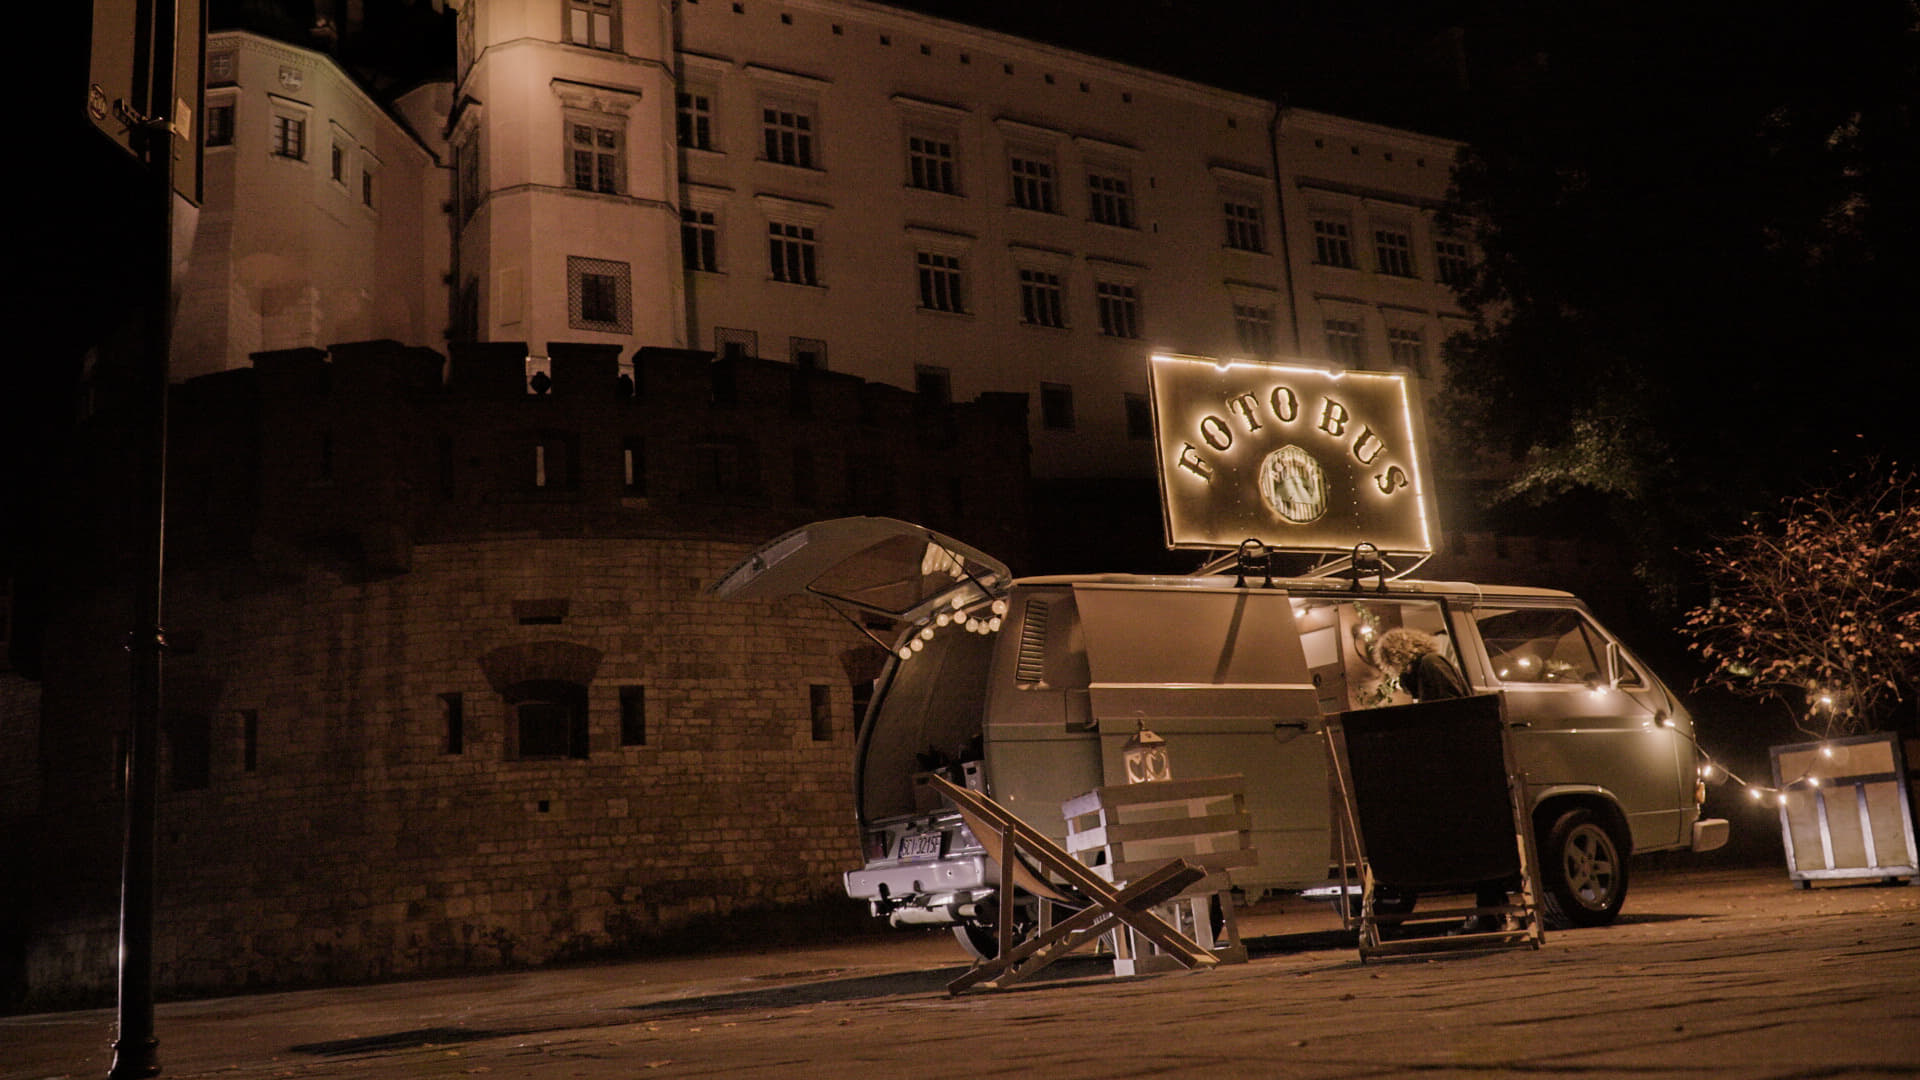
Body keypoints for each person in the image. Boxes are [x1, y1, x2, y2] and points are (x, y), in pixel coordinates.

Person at [1372, 627, 1514, 933]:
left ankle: (1490, 912)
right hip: (1465, 768)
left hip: (1459, 769)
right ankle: (1492, 911)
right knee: (1478, 840)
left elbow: (1447, 714)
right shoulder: (1432, 666)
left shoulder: (1430, 667)